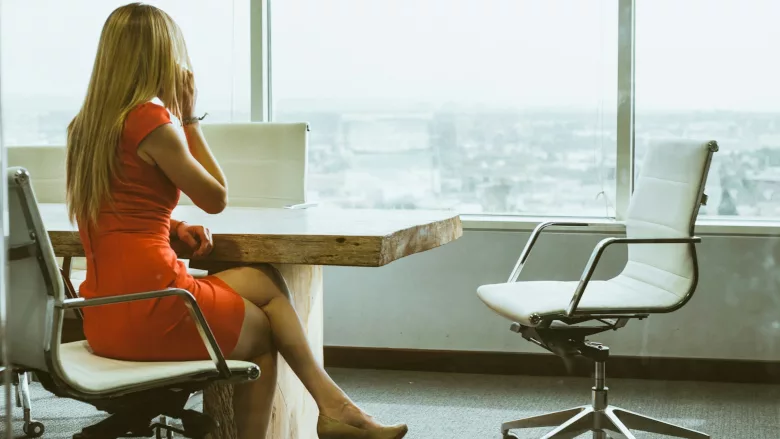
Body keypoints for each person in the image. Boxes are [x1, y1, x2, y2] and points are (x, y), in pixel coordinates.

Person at [64, 3, 408, 439]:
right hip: (154, 304)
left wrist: (168, 229)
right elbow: (215, 198)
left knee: (265, 282)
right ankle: (315, 418)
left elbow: (107, 213)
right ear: (158, 56)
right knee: (263, 333)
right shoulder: (151, 122)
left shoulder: (84, 128)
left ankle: (334, 407)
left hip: (102, 311)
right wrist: (188, 117)